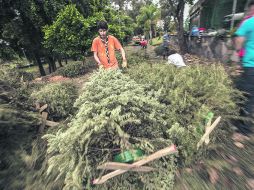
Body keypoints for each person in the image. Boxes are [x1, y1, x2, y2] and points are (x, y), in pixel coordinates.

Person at [234, 1, 254, 132]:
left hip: (250, 65)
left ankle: (243, 129)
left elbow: (238, 40)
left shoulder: (249, 22)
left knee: (245, 94)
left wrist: (238, 55)